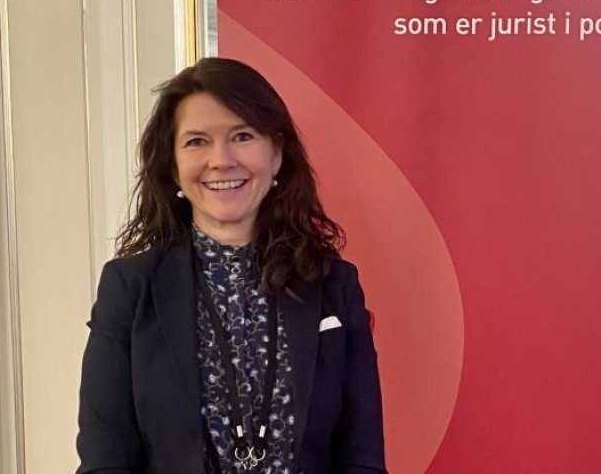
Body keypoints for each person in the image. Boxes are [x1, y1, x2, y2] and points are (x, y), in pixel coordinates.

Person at [76, 57, 386, 474]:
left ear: (276, 154)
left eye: (242, 136)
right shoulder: (130, 288)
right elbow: (105, 460)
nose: (221, 159)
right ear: (173, 166)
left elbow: (363, 459)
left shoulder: (335, 285)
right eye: (196, 141)